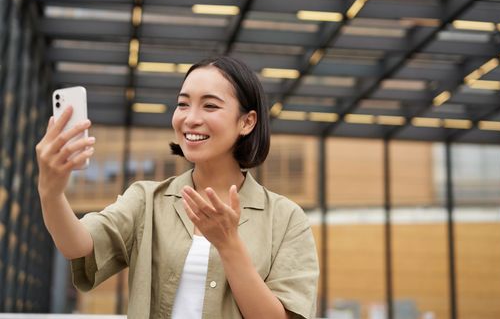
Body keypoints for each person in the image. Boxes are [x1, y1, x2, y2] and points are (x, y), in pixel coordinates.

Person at [36, 56, 319, 319]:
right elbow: (78, 245)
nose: (190, 118)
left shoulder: (286, 219)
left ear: (247, 122)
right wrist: (51, 192)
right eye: (183, 104)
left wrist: (228, 244)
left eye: (210, 105)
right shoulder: (147, 200)